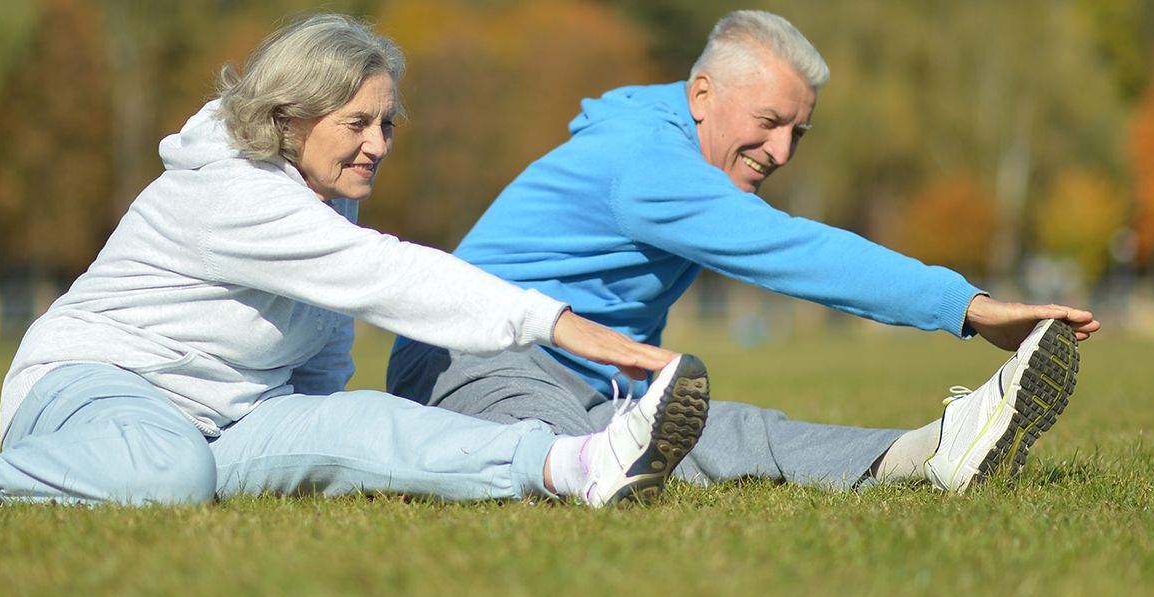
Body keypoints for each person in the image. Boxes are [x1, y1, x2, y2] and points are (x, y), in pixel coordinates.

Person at [0, 14, 711, 509]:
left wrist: (330, 425)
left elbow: (324, 343)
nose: (378, 144)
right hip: (87, 388)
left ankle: (580, 466)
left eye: (386, 124)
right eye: (357, 123)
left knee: (363, 423)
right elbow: (393, 276)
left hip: (228, 421)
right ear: (290, 116)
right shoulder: (233, 193)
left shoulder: (327, 200)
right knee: (169, 472)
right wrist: (569, 329)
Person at [388, 10, 1099, 493]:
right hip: (477, 363)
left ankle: (926, 453)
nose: (781, 150)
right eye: (769, 121)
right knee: (589, 460)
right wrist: (967, 307)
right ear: (702, 93)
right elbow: (796, 251)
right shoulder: (647, 162)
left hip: (594, 380)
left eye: (799, 132)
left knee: (726, 433)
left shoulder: (669, 147)